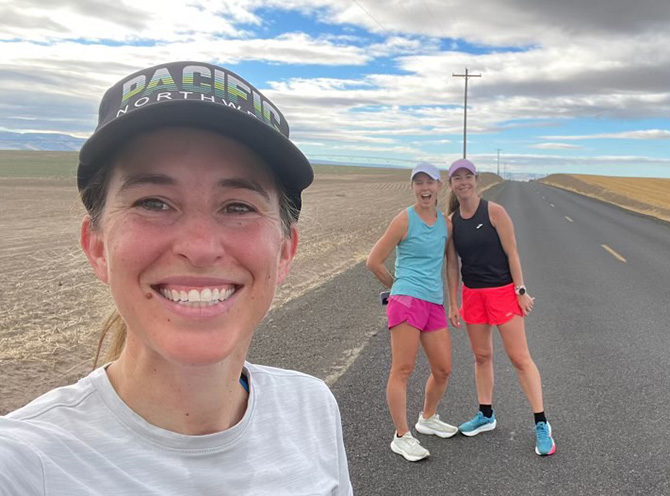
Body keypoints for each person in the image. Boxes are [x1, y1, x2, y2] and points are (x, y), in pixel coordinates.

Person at [0, 61, 353, 494]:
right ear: (97, 246)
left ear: (284, 252)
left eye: (238, 206)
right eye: (153, 202)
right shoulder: (24, 466)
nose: (200, 246)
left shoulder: (311, 407)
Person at [445, 158, 557, 456]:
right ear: (451, 184)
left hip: (503, 294)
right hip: (473, 296)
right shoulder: (452, 221)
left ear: (476, 180)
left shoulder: (495, 212)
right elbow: (453, 265)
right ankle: (485, 414)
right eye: (458, 178)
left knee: (520, 359)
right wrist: (454, 302)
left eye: (468, 176)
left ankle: (542, 423)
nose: (463, 182)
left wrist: (521, 290)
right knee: (481, 356)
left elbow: (513, 253)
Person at [366, 163, 458, 462]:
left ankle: (427, 418)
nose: (424, 188)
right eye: (418, 183)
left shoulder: (446, 224)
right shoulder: (403, 220)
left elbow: (450, 264)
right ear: (412, 188)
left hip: (434, 302)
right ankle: (402, 435)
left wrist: (454, 301)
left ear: (439, 186)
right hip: (406, 300)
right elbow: (374, 261)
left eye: (429, 182)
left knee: (443, 369)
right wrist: (398, 288)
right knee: (403, 370)